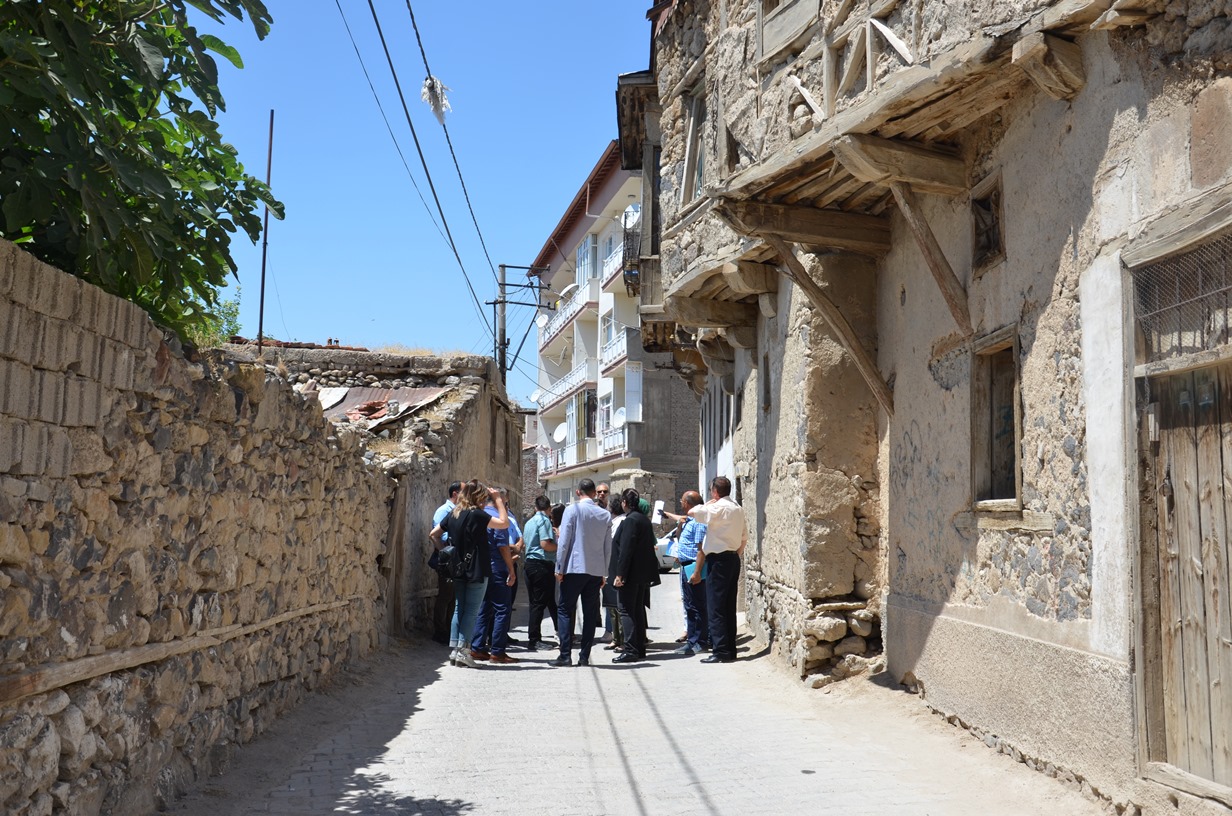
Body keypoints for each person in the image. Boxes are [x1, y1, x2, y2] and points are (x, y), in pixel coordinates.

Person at [430, 480, 510, 668]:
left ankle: (455, 650)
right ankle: (464, 651)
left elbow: (433, 533)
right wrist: (498, 501)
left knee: (459, 608)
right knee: (472, 611)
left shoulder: (454, 514)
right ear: (478, 498)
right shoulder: (477, 515)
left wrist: (445, 551)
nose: (484, 501)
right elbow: (503, 523)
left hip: (457, 568)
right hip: (477, 568)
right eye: (483, 498)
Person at [550, 478, 612, 667]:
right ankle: (584, 656)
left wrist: (558, 567)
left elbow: (564, 542)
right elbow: (607, 547)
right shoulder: (605, 515)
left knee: (564, 609)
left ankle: (565, 654)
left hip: (574, 568)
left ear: (578, 492)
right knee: (590, 613)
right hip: (594, 571)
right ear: (595, 493)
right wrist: (604, 572)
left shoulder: (572, 510)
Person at [688, 476, 747, 664]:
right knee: (729, 606)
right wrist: (734, 554)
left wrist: (709, 502)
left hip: (718, 560)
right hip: (732, 558)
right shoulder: (738, 509)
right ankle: (730, 649)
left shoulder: (716, 507)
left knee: (715, 606)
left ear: (714, 491)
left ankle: (720, 651)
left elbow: (692, 511)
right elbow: (744, 537)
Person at [611, 488, 661, 664]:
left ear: (624, 502)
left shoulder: (630, 521)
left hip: (631, 574)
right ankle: (639, 647)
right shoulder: (643, 520)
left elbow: (626, 550)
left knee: (626, 610)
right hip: (642, 575)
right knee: (637, 610)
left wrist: (620, 574)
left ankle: (631, 649)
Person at [470, 488, 519, 664]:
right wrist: (511, 569)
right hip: (497, 568)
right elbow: (503, 546)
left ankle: (477, 647)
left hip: (482, 568)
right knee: (502, 610)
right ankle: (497, 651)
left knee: (484, 608)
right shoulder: (498, 518)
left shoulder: (479, 514)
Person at [664, 490, 709, 657]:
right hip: (685, 567)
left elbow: (701, 550)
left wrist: (697, 572)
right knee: (689, 606)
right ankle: (692, 640)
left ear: (689, 503)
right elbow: (679, 535)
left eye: (682, 501)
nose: (680, 503)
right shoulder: (689, 520)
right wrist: (680, 525)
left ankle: (700, 641)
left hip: (693, 568)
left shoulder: (699, 522)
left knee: (697, 606)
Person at [522, 495, 558, 651]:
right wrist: (560, 546)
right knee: (539, 604)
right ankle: (534, 639)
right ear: (548, 509)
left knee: (542, 601)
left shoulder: (529, 522)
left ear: (535, 507)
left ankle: (559, 631)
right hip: (541, 564)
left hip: (530, 564)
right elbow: (545, 544)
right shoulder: (544, 521)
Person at [429, 481, 461, 645]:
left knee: (452, 596)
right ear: (455, 494)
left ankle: (447, 630)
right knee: (445, 596)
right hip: (447, 561)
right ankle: (440, 631)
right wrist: (445, 554)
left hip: (454, 561)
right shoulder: (444, 511)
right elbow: (436, 535)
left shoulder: (454, 511)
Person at [602, 494, 627, 649]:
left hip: (616, 568)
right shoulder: (612, 522)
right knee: (611, 605)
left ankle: (622, 640)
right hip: (609, 567)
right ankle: (616, 638)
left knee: (618, 606)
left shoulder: (622, 522)